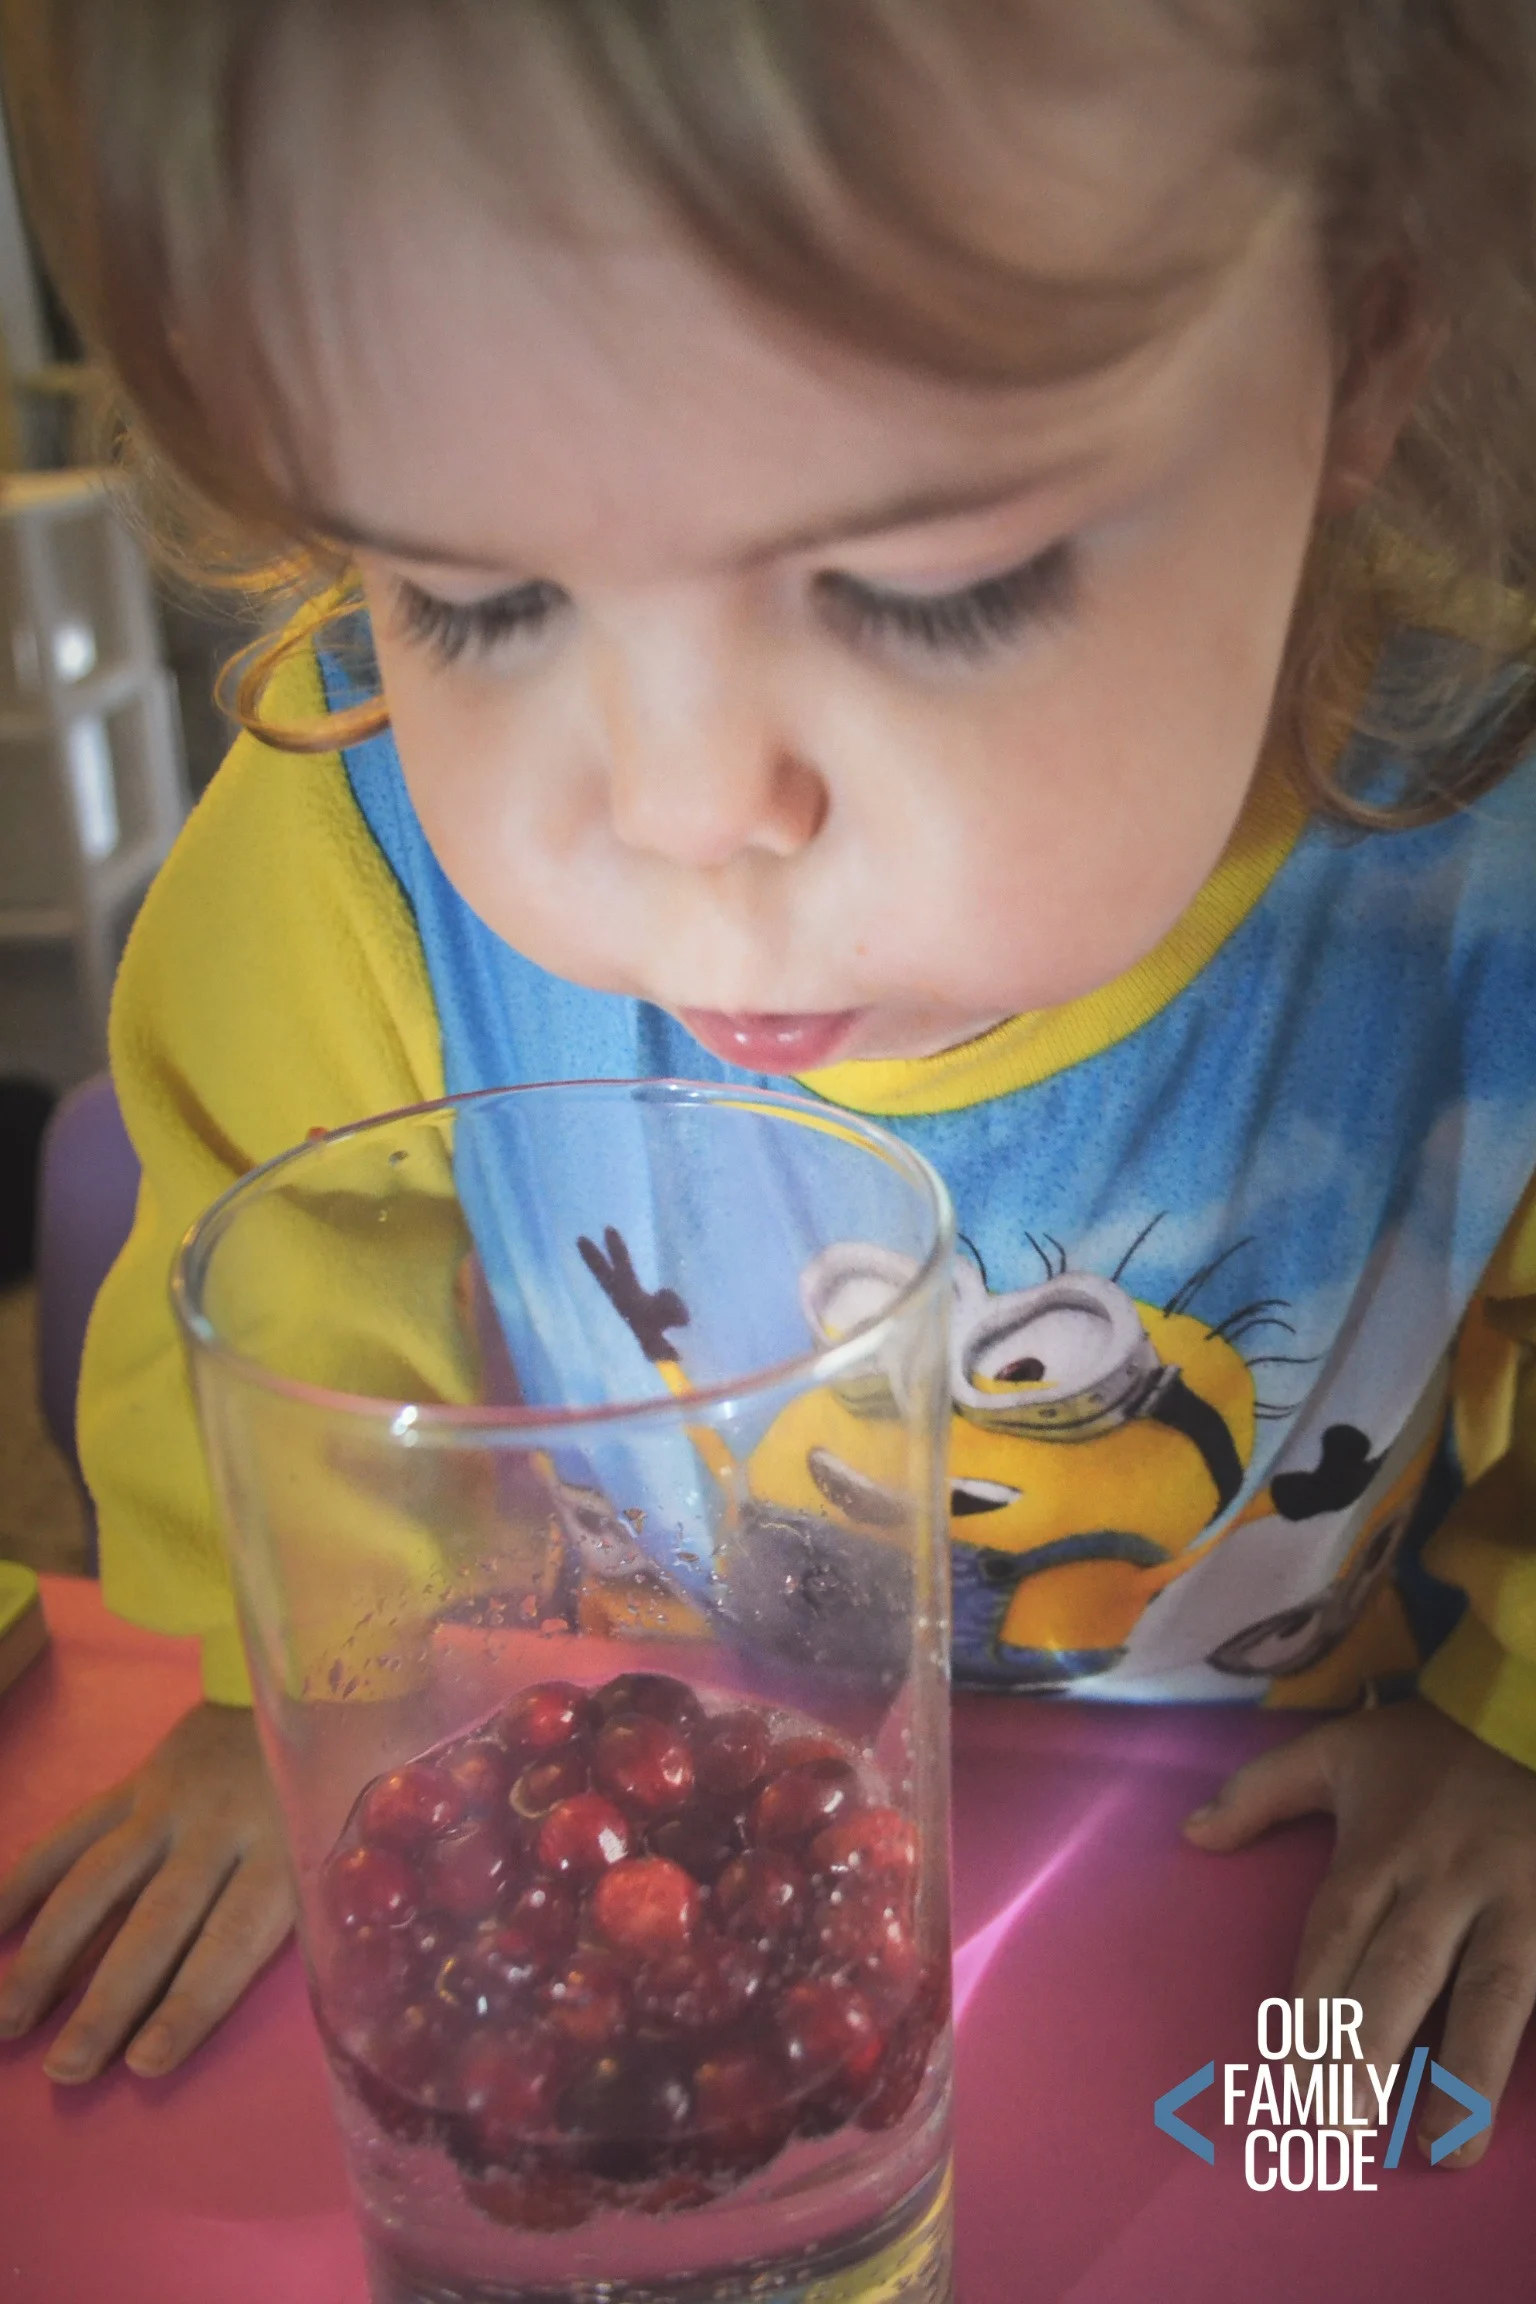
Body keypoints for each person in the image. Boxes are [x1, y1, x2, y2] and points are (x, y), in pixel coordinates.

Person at [2, 0, 1536, 2170]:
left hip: (1265, 1841)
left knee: (1320, 2191)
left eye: (934, 588)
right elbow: (270, 1258)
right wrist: (290, 1699)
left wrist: (1513, 1726)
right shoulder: (351, 845)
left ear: (1363, 353)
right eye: (479, 593)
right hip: (673, 1816)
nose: (682, 807)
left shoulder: (1495, 896)